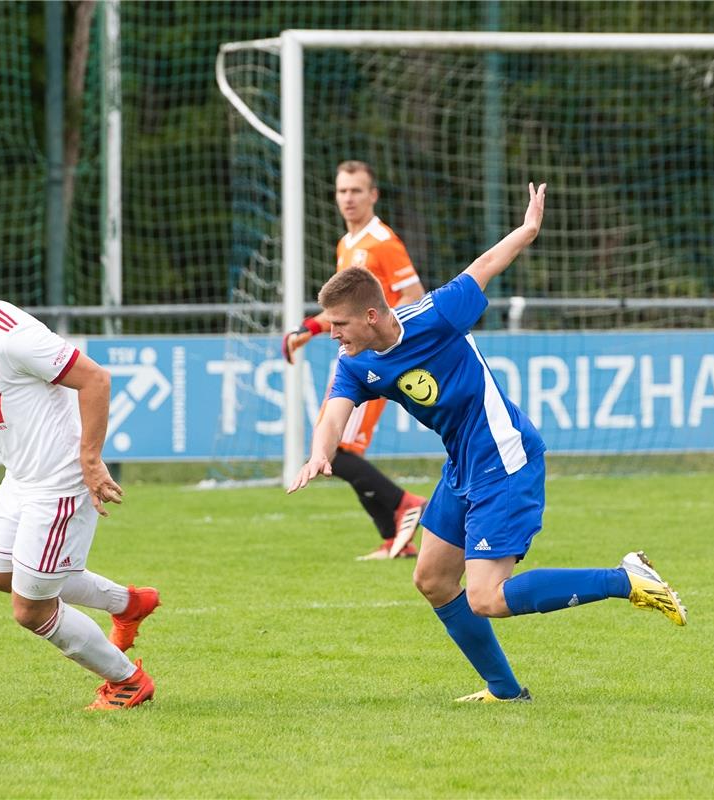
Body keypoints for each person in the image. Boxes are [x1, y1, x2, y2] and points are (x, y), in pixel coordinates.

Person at [288, 183, 687, 702]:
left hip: (505, 458)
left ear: (371, 315)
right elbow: (333, 412)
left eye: (338, 325)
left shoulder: (434, 316)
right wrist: (321, 452)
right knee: (432, 578)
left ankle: (624, 578)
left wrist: (527, 230)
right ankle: (505, 690)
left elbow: (484, 265)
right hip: (463, 465)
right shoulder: (355, 362)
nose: (333, 334)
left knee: (485, 597)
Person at [0, 231, 160, 711]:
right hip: (20, 480)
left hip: (59, 483)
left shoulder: (14, 337)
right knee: (1, 576)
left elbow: (96, 379)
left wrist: (89, 460)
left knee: (31, 607)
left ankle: (127, 682)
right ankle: (128, 603)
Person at [283, 160, 428, 560]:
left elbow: (415, 295)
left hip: (376, 358)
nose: (348, 198)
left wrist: (390, 340)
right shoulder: (347, 245)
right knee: (342, 450)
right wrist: (309, 330)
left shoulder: (383, 242)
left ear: (373, 195)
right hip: (354, 355)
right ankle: (392, 538)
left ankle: (405, 503)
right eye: (342, 191)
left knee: (337, 450)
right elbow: (341, 308)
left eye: (356, 191)